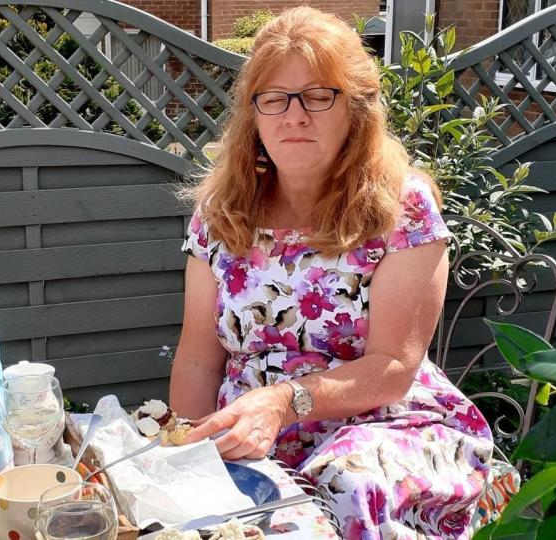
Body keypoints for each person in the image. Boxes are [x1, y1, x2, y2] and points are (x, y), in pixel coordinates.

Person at [170, 6, 493, 539]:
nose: (294, 117)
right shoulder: (220, 212)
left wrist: (284, 401)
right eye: (274, 98)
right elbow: (198, 358)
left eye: (319, 96)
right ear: (253, 115)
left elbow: (393, 367)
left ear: (357, 109)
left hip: (382, 425)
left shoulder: (401, 207)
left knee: (342, 483)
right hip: (252, 436)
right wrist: (185, 452)